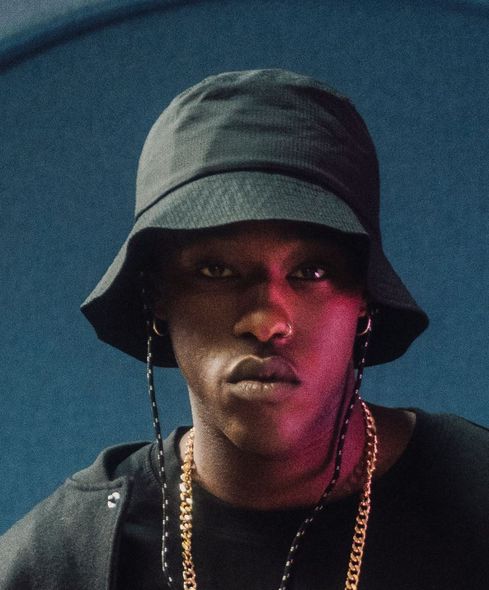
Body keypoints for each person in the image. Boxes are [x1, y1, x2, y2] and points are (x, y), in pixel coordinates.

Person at [1, 69, 488, 590]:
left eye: (311, 272)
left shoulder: (474, 497)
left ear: (364, 299)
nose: (265, 321)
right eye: (216, 270)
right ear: (155, 296)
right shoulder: (67, 557)